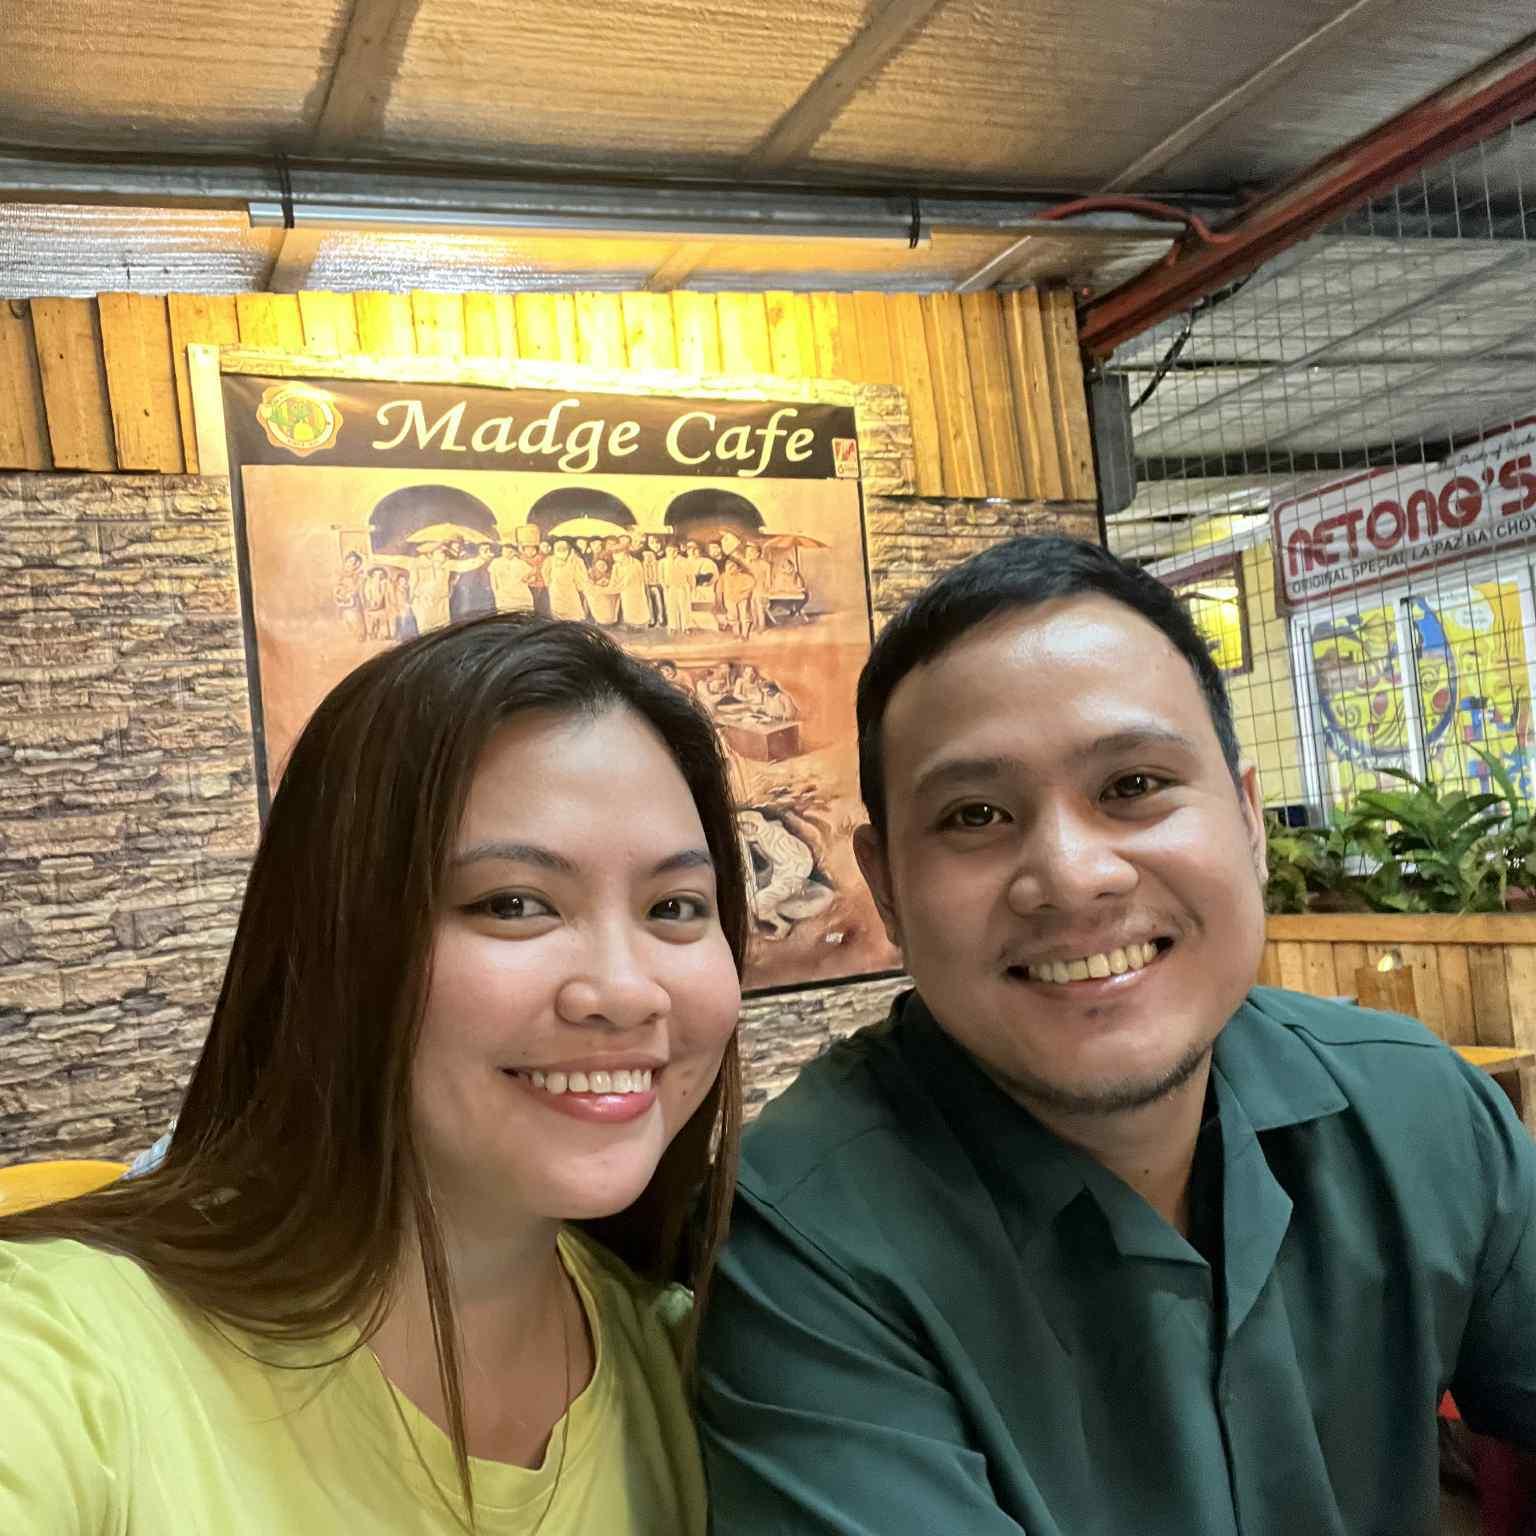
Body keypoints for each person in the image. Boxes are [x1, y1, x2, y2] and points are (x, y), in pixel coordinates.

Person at [698, 534, 1536, 1535]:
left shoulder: (1416, 1109)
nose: (1072, 875)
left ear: (1249, 820)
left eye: (1134, 786)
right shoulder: (799, 1241)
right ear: (885, 887)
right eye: (975, 814)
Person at [0, 614, 750, 1535]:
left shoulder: (692, 1364)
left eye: (674, 907)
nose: (626, 992)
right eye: (513, 903)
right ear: (334, 942)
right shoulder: (60, 1353)